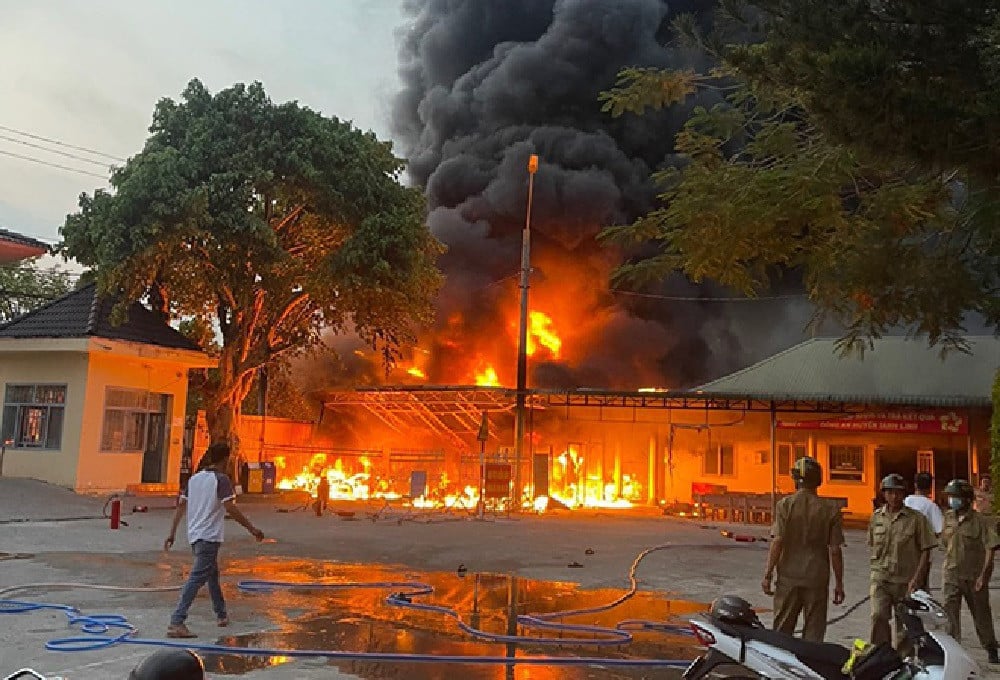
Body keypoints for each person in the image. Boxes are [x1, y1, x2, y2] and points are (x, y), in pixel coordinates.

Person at [164, 442, 264, 638]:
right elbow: (231, 508)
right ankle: (177, 620)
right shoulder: (221, 480)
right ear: (226, 460)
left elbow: (180, 507)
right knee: (197, 578)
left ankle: (221, 614)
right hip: (209, 537)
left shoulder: (194, 479)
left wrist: (172, 533)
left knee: (212, 574)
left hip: (195, 535)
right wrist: (252, 529)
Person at [761, 457, 846, 642]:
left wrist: (768, 574)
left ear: (795, 479)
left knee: (782, 632)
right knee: (814, 635)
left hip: (788, 578)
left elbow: (778, 541)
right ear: (818, 480)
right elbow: (835, 550)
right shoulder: (830, 509)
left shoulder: (785, 505)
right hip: (816, 578)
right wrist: (839, 583)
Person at [867, 473, 935, 648]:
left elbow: (926, 550)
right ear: (884, 494)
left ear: (904, 494)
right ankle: (880, 654)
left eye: (898, 492)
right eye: (890, 492)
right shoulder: (876, 518)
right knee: (878, 616)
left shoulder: (917, 519)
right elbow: (872, 544)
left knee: (904, 626)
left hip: (905, 581)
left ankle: (903, 660)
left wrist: (918, 579)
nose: (894, 497)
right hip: (881, 578)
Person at [939, 478, 999, 665]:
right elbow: (944, 542)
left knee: (981, 615)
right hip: (951, 574)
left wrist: (984, 576)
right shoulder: (948, 517)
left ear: (966, 499)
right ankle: (952, 650)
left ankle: (990, 647)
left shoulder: (981, 521)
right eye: (951, 497)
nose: (952, 500)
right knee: (950, 615)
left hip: (974, 577)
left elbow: (990, 548)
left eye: (956, 497)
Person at [904, 472, 943, 591]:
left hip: (902, 552)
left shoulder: (905, 501)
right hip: (922, 554)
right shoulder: (931, 506)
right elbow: (939, 530)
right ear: (930, 487)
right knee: (920, 586)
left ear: (915, 485)